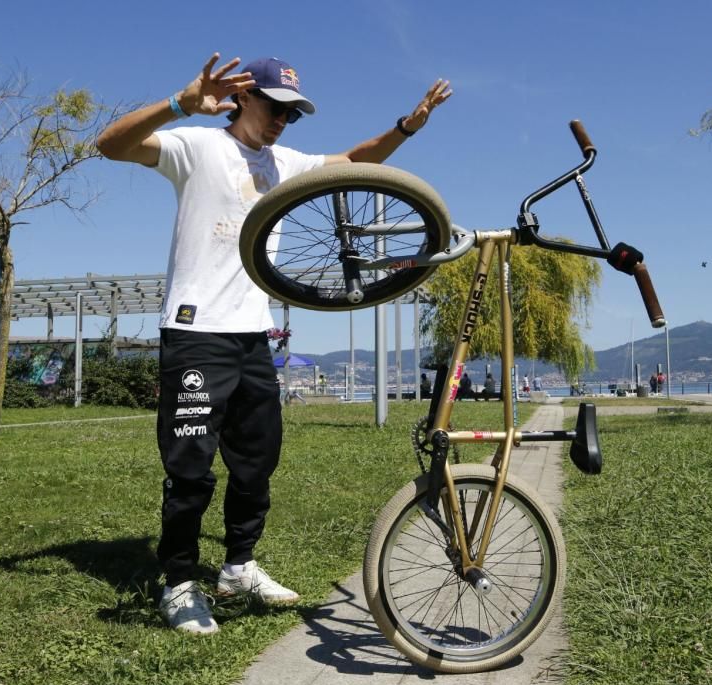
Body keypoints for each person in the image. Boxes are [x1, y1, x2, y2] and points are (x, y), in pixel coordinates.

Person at [96, 52, 451, 634]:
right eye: (276, 106)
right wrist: (180, 103)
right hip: (194, 332)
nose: (285, 119)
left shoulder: (286, 162)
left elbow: (356, 162)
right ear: (241, 97)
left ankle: (238, 565)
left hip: (252, 335)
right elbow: (110, 145)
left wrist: (406, 127)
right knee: (191, 469)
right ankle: (180, 582)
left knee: (257, 461)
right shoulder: (196, 146)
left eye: (294, 112)